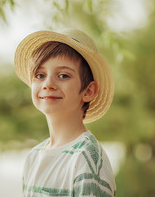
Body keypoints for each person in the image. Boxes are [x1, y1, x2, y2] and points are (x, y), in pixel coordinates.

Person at [14, 28, 116, 197]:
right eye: (40, 75)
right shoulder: (33, 157)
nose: (48, 83)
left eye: (63, 76)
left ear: (88, 91)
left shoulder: (86, 159)